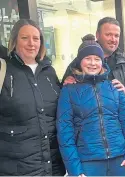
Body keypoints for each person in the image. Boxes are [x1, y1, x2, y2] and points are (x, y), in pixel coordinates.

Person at [56, 38, 125, 176]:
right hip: (88, 161)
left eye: (97, 59)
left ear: (102, 62)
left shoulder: (114, 87)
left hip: (119, 158)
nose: (93, 63)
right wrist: (74, 168)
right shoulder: (69, 91)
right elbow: (65, 132)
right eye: (88, 58)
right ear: (80, 61)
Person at [0, 19, 65, 175]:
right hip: (17, 169)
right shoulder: (3, 70)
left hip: (53, 167)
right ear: (14, 41)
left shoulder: (49, 72)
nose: (31, 43)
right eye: (24, 38)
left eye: (36, 38)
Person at [62, 17, 125, 104]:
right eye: (108, 35)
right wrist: (67, 82)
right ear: (97, 35)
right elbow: (63, 92)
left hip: (120, 116)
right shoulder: (78, 63)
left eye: (116, 36)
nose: (113, 39)